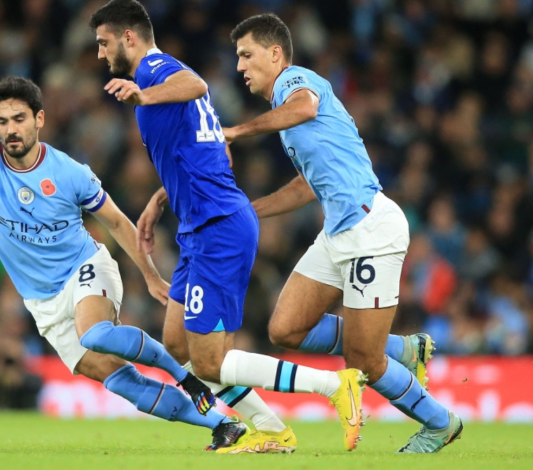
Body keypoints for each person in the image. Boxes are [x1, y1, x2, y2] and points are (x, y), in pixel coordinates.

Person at [0, 76, 248, 451]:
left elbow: (116, 221)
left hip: (86, 268)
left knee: (95, 333)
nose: (10, 130)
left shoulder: (69, 172)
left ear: (40, 119)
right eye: (2, 122)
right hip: (42, 301)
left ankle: (183, 375)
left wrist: (149, 275)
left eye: (19, 119)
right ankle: (222, 424)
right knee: (118, 380)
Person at [90, 0, 365, 453]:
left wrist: (144, 95)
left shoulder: (157, 70)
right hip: (199, 226)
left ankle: (333, 385)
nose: (100, 54)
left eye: (104, 43)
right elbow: (215, 149)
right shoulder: (156, 82)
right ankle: (273, 431)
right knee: (177, 347)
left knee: (210, 360)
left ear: (130, 37)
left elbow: (195, 84)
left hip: (218, 225)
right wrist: (161, 198)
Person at [223, 13, 463, 453]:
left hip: (371, 228)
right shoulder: (290, 116)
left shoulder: (295, 83)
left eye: (246, 54)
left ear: (275, 54)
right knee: (286, 329)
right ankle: (405, 349)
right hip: (337, 233)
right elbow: (305, 186)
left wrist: (237, 131)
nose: (239, 66)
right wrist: (246, 213)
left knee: (364, 361)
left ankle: (439, 422)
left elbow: (306, 106)